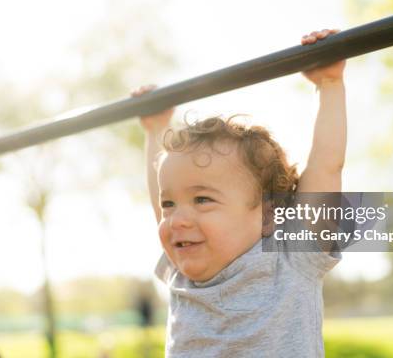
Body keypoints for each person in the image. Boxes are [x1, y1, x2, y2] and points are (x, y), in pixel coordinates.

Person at [131, 28, 346, 357]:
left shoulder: (290, 258)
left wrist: (329, 85)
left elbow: (326, 167)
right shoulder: (182, 269)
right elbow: (161, 195)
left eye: (202, 199)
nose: (175, 219)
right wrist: (156, 129)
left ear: (269, 214)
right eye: (170, 205)